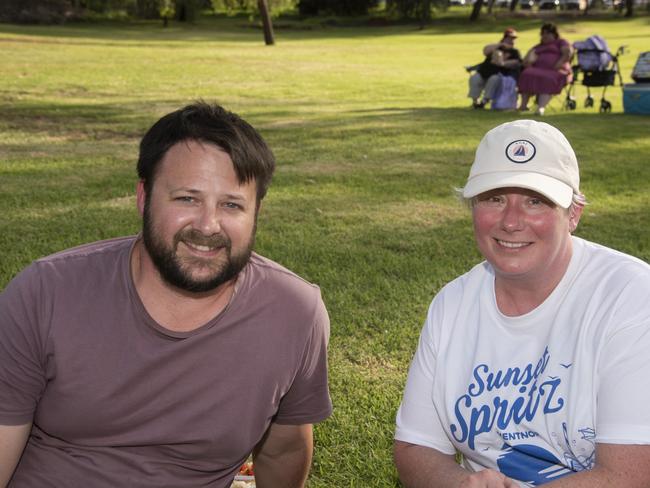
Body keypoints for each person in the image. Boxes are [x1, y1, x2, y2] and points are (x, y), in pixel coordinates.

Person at [0, 102, 332, 487]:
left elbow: (284, 449)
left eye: (231, 205)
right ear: (144, 197)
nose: (208, 226)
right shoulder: (46, 293)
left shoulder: (294, 314)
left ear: (257, 212)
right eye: (187, 198)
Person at [394, 119, 650, 487]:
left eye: (536, 201)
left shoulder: (629, 297)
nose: (511, 221)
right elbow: (416, 448)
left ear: (573, 214)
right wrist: (459, 484)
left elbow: (632, 475)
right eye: (494, 198)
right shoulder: (453, 304)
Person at [518, 23, 573, 116]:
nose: (544, 36)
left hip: (557, 71)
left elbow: (567, 54)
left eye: (547, 33)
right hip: (538, 70)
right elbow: (525, 61)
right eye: (542, 34)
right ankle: (523, 106)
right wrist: (530, 60)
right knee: (526, 73)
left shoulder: (561, 42)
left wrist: (558, 64)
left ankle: (540, 108)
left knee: (547, 78)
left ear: (554, 34)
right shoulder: (538, 46)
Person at [467, 28, 522, 110]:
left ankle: (484, 102)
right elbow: (485, 51)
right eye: (509, 38)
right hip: (484, 72)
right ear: (504, 38)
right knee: (475, 78)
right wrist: (500, 45)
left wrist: (502, 61)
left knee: (493, 80)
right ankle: (475, 101)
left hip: (498, 74)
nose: (511, 41)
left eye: (513, 39)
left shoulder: (514, 52)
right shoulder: (496, 48)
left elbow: (516, 62)